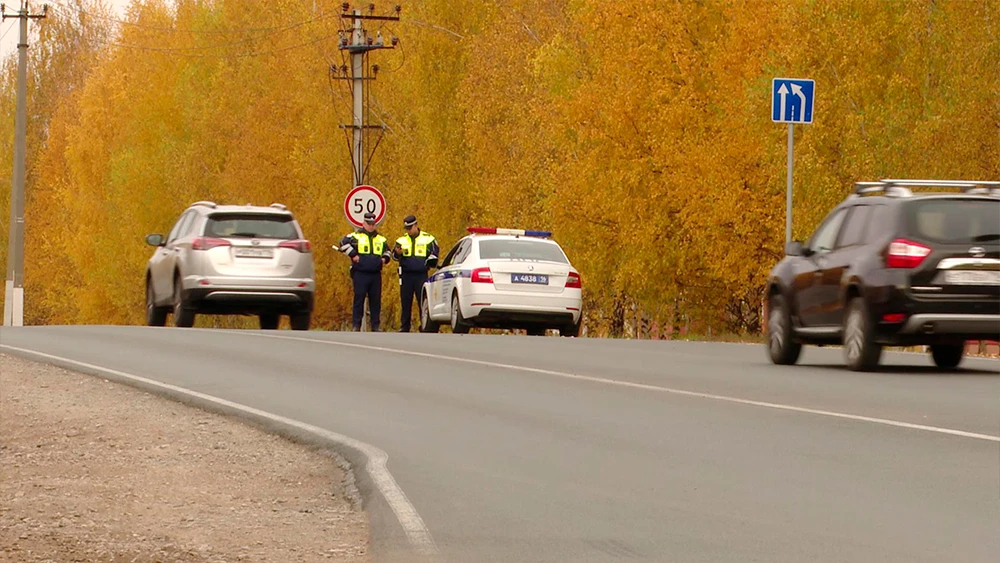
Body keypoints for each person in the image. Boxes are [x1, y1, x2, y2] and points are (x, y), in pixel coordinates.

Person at [338, 212, 391, 331]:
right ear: (364, 223)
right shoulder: (355, 236)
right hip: (360, 272)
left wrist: (384, 260)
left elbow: (388, 251)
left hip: (375, 274)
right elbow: (342, 243)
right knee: (359, 298)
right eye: (369, 224)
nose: (371, 226)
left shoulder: (381, 238)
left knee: (375, 300)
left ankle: (375, 326)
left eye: (373, 224)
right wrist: (353, 255)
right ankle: (356, 325)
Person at [392, 214, 440, 332]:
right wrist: (398, 253)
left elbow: (435, 253)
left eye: (410, 228)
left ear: (416, 225)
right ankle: (404, 327)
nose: (408, 231)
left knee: (423, 302)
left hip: (421, 274)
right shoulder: (401, 240)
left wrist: (429, 261)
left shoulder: (428, 239)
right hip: (406, 275)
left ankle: (424, 325)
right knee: (405, 301)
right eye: (406, 228)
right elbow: (394, 256)